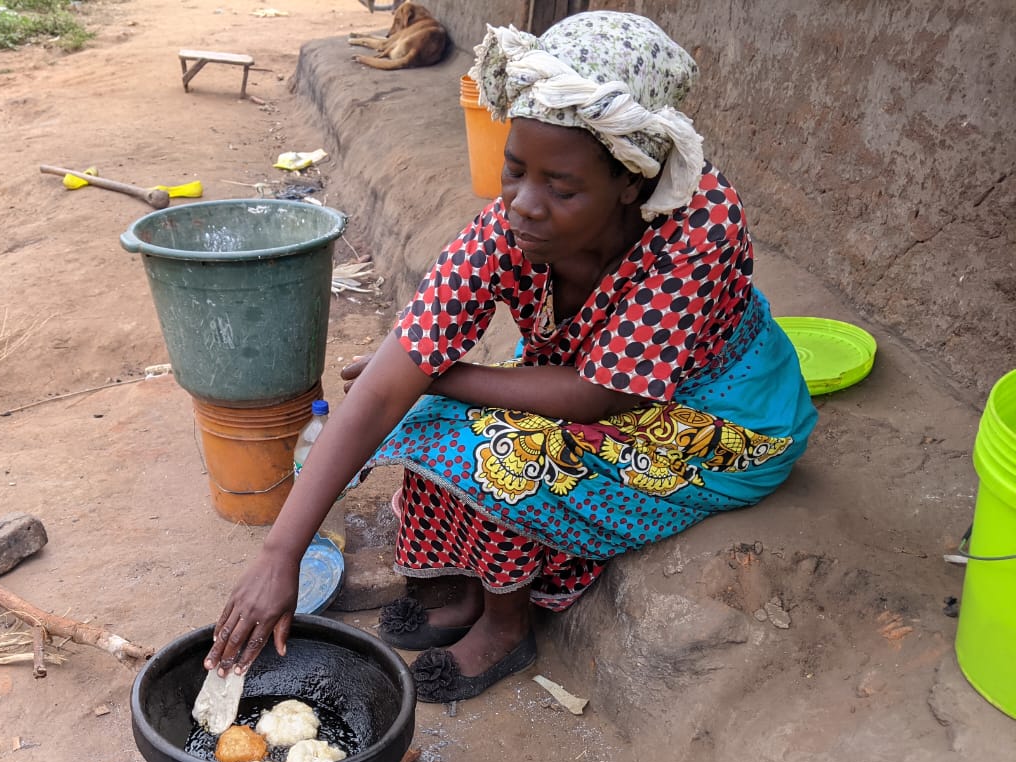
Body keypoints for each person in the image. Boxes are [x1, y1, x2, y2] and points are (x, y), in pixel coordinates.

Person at [206, 10, 817, 703]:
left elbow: (602, 395)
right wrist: (280, 554)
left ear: (632, 182)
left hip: (713, 420)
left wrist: (444, 376)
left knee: (506, 449)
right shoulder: (507, 229)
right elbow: (384, 386)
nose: (524, 204)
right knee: (419, 414)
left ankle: (507, 626)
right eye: (515, 170)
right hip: (595, 387)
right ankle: (475, 584)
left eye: (561, 187)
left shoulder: (698, 223)